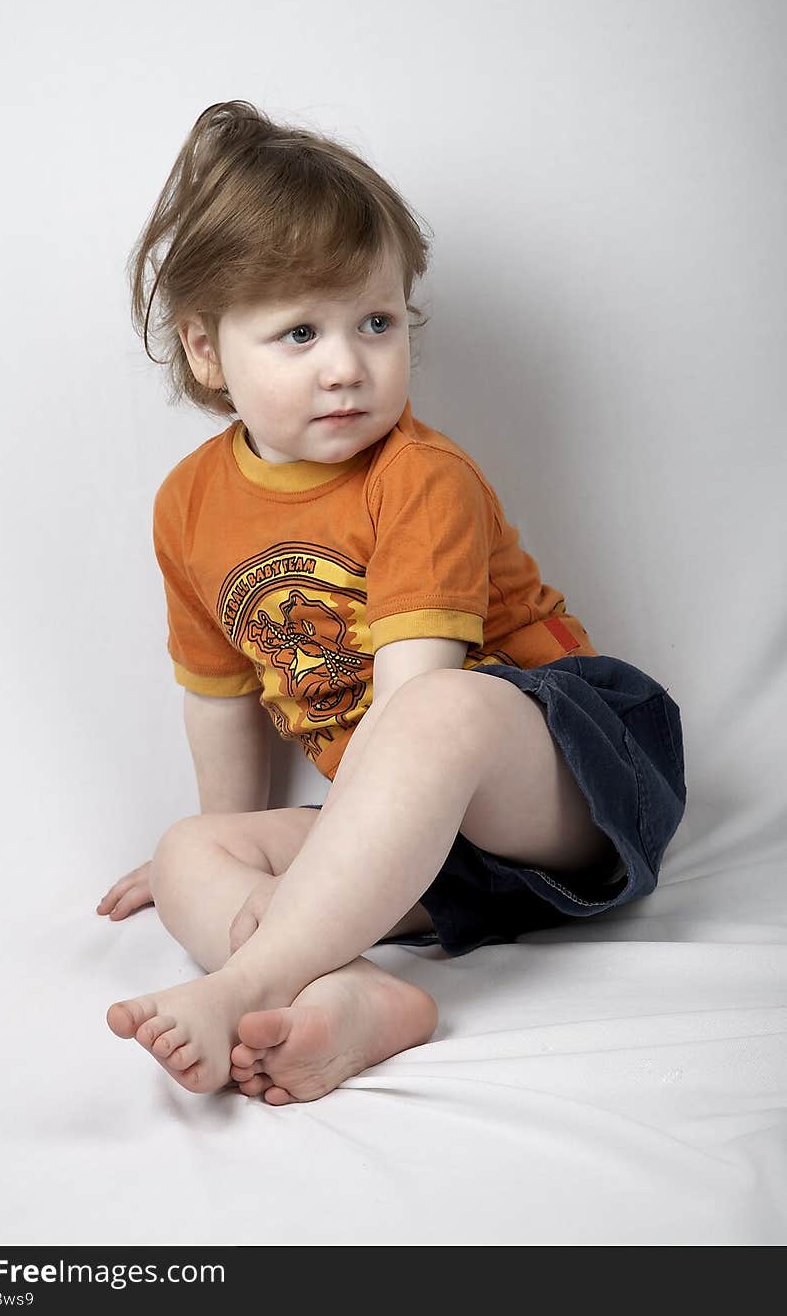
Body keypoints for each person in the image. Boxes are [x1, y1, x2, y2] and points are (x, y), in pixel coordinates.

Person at [97, 99, 687, 1105]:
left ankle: (253, 979)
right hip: (434, 848)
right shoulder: (190, 506)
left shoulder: (419, 477)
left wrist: (274, 913)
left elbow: (419, 707)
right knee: (190, 850)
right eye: (298, 332)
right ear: (206, 352)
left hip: (573, 776)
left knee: (436, 710)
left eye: (374, 321)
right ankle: (359, 998)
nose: (346, 365)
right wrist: (231, 854)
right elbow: (220, 696)